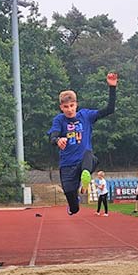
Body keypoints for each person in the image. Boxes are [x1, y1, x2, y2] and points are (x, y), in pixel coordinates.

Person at [48, 72, 118, 215]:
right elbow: (53, 136)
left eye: (72, 105)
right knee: (74, 208)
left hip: (84, 160)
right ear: (61, 107)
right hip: (67, 165)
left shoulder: (85, 116)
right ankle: (76, 201)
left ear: (76, 104)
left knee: (87, 155)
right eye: (66, 107)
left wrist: (112, 87)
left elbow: (109, 110)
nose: (69, 109)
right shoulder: (59, 120)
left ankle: (85, 176)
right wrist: (57, 140)